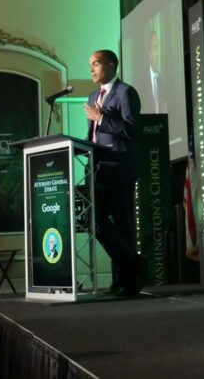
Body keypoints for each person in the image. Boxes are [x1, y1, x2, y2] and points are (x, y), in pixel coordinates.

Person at [84, 49, 144, 296]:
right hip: (98, 170)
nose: (91, 69)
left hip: (120, 168)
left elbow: (132, 131)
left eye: (95, 64)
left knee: (122, 226)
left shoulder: (126, 92)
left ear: (111, 64)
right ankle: (130, 265)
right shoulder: (92, 95)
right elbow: (93, 136)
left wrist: (101, 118)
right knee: (91, 219)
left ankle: (126, 282)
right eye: (90, 65)